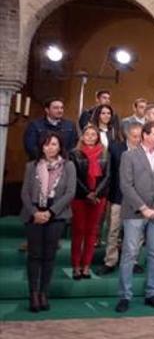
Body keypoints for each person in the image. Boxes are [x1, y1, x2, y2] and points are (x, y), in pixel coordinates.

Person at [115, 121, 154, 313]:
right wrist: (143, 208)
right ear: (145, 135)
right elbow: (126, 185)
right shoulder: (129, 156)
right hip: (134, 213)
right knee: (130, 254)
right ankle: (125, 295)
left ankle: (152, 293)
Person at [21, 132, 76, 312]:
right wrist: (35, 212)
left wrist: (51, 212)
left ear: (60, 146)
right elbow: (25, 193)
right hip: (33, 212)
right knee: (34, 255)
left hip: (57, 213)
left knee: (49, 256)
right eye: (46, 144)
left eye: (54, 144)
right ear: (41, 147)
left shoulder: (68, 166)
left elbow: (70, 192)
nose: (50, 148)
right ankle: (33, 294)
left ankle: (44, 293)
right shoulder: (32, 166)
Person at [96, 122, 141, 276]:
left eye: (140, 136)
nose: (138, 140)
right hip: (118, 197)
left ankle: (133, 260)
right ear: (127, 135)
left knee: (136, 233)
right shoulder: (115, 149)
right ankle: (110, 261)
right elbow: (110, 174)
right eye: (135, 136)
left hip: (139, 200)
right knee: (113, 231)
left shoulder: (145, 150)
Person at [69, 125, 109, 280]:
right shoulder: (74, 153)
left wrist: (96, 193)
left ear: (98, 136)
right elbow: (74, 177)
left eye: (94, 134)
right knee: (78, 230)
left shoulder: (105, 153)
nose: (91, 137)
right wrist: (88, 194)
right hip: (80, 197)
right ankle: (76, 266)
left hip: (99, 197)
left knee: (92, 232)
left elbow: (108, 176)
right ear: (82, 136)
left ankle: (86, 266)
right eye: (88, 134)